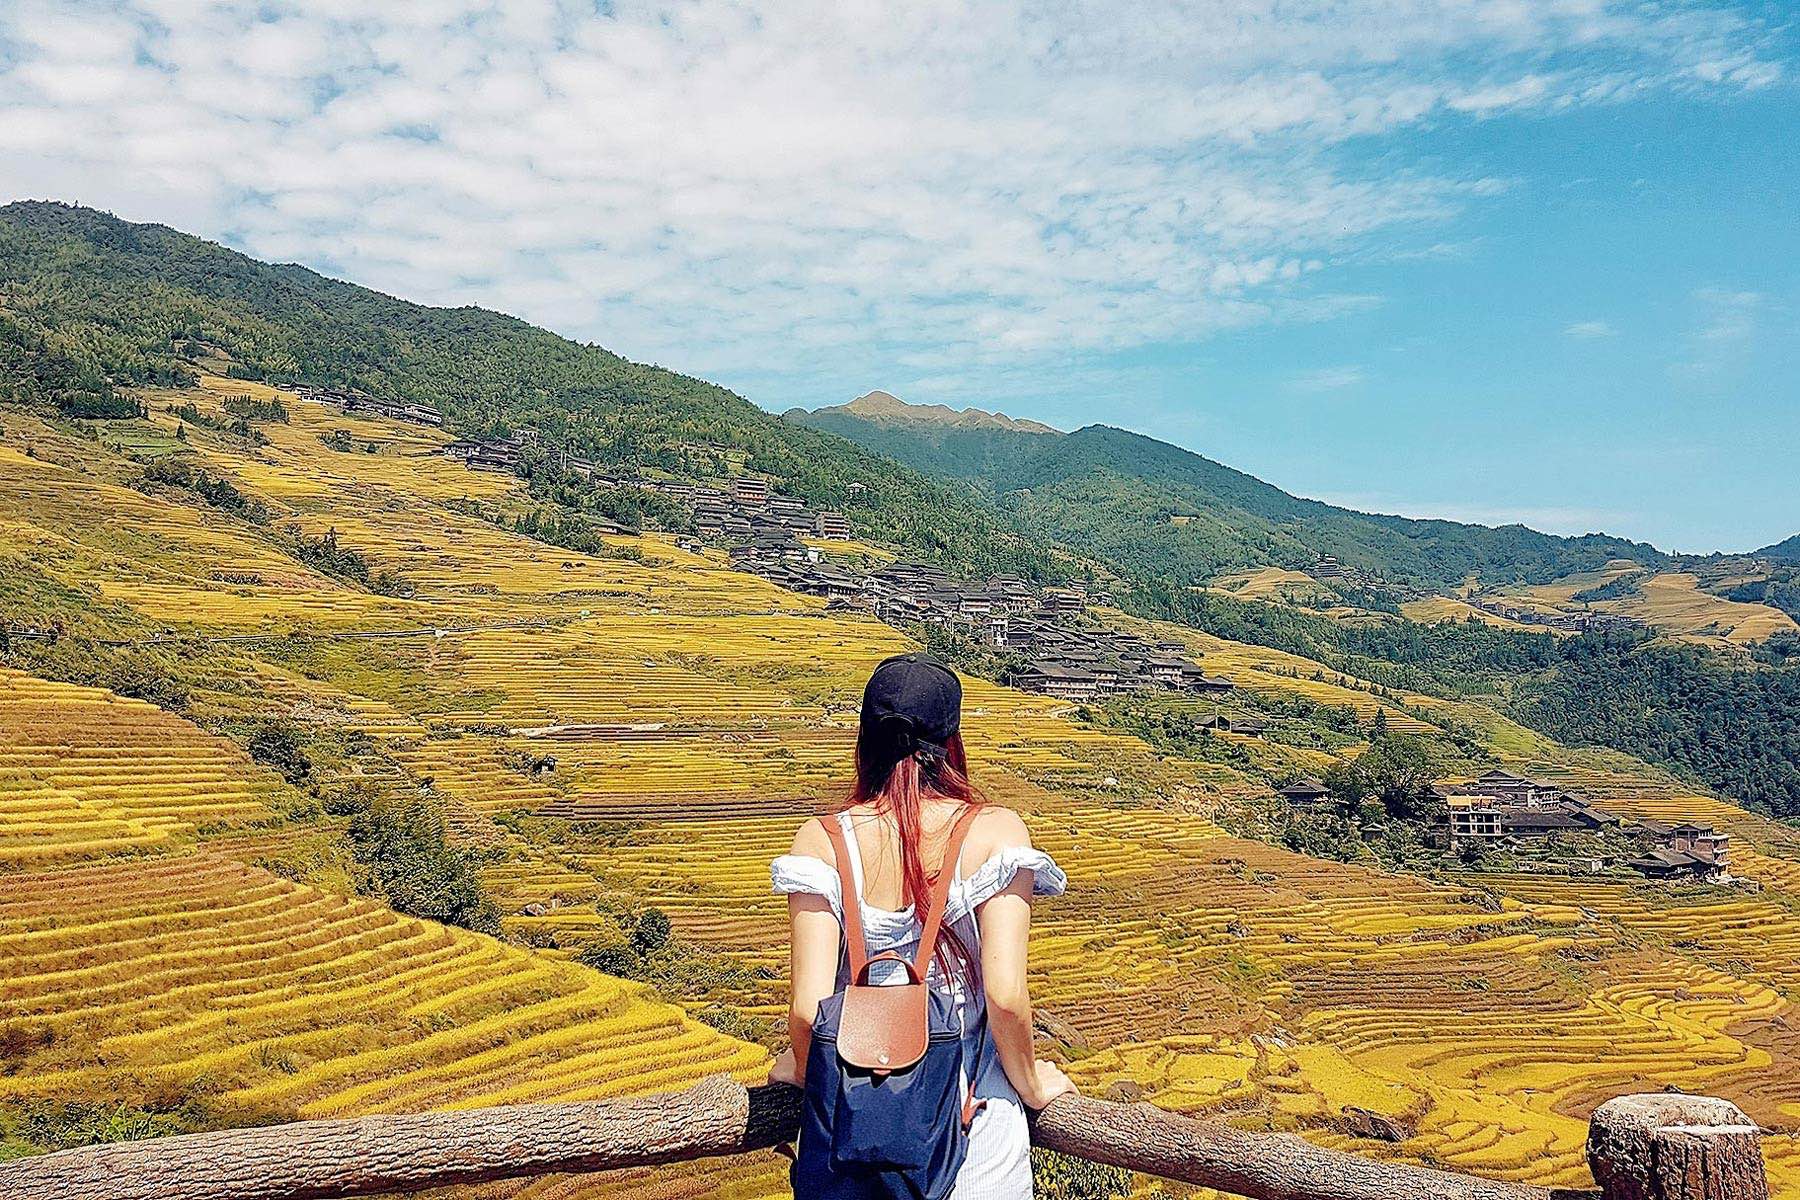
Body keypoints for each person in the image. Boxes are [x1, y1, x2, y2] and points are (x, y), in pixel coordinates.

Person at [768, 651, 1076, 1198]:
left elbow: (806, 1009)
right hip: (977, 1143)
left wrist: (797, 1062)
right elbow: (1005, 997)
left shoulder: (822, 839)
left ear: (864, 740)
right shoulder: (996, 833)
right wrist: (1032, 1083)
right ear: (952, 744)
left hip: (858, 1154)